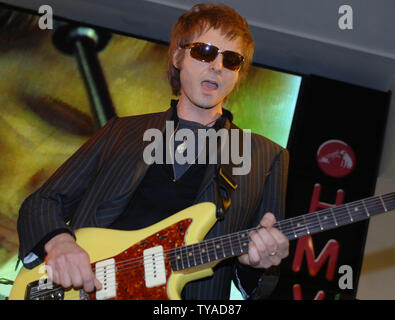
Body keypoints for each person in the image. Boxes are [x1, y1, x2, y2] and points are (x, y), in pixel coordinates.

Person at [17, 3, 290, 300]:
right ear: (177, 56)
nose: (217, 66)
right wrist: (60, 243)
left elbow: (262, 282)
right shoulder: (120, 131)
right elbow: (43, 201)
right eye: (205, 52)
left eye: (232, 60)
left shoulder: (267, 157)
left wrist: (258, 265)